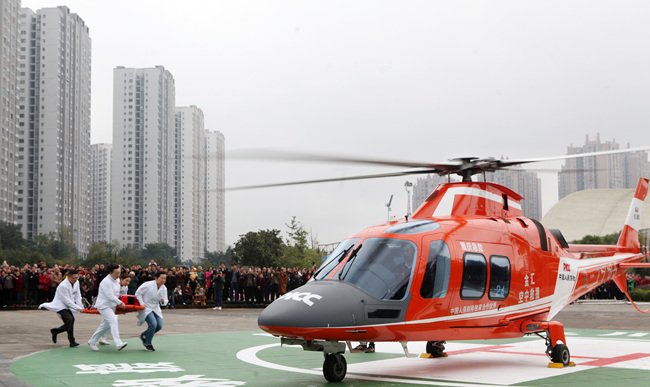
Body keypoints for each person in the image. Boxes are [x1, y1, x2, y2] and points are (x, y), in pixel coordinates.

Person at [38, 269, 84, 347]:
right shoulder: (63, 286)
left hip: (69, 305)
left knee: (69, 322)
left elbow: (77, 295)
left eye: (77, 278)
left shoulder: (76, 282)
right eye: (74, 278)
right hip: (61, 305)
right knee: (70, 320)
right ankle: (72, 341)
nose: (76, 280)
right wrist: (79, 308)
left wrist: (81, 306)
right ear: (69, 277)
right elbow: (67, 301)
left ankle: (55, 331)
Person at [87, 264, 128, 351]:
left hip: (112, 306)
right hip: (104, 305)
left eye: (119, 273)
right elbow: (109, 296)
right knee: (113, 321)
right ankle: (118, 343)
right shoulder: (105, 282)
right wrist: (120, 302)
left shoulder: (116, 280)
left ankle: (92, 341)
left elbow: (117, 293)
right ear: (110, 273)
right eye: (116, 273)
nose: (118, 275)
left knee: (104, 326)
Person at [135, 271, 168, 351]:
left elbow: (165, 300)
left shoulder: (164, 288)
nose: (163, 280)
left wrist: (163, 301)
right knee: (153, 324)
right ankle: (148, 343)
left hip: (156, 307)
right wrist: (142, 303)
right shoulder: (147, 284)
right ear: (156, 278)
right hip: (146, 307)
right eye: (162, 278)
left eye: (165, 279)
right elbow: (138, 293)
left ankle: (144, 335)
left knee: (159, 326)